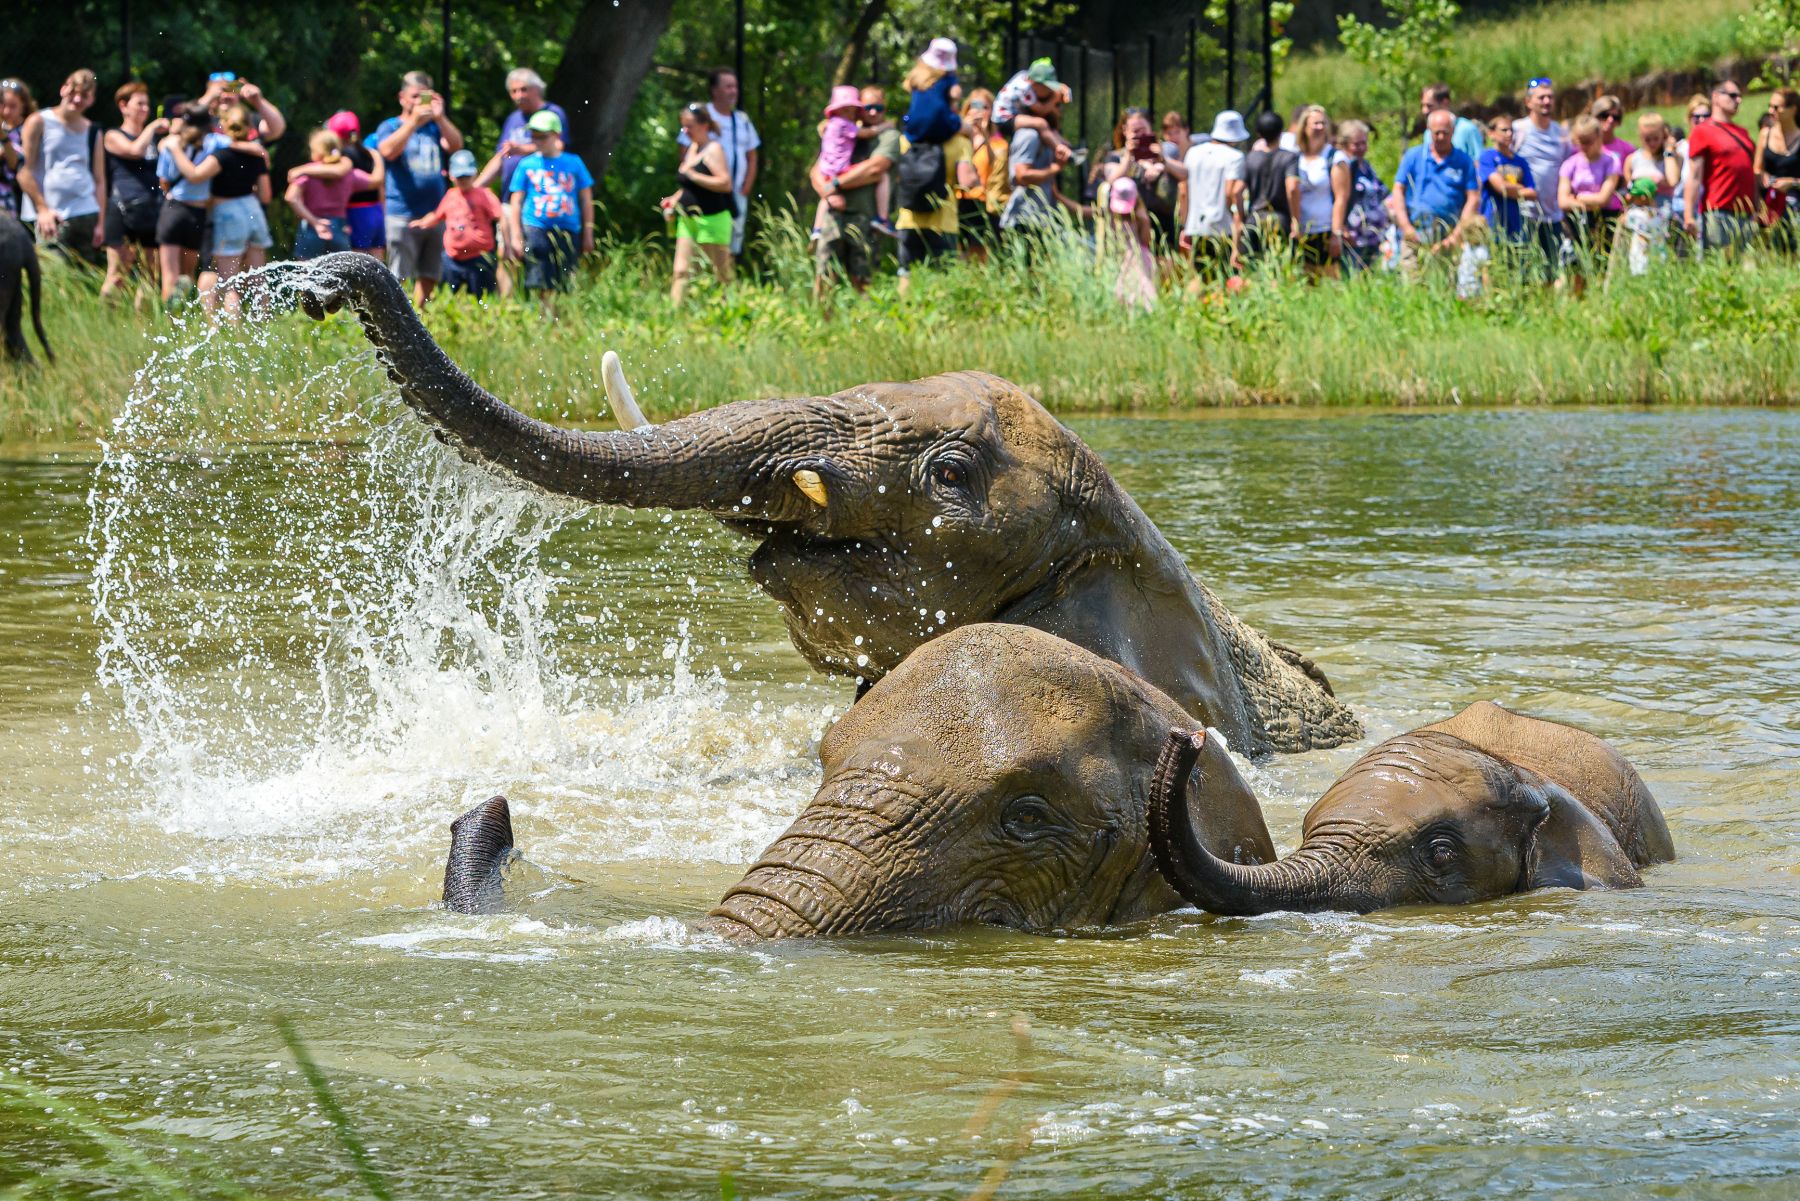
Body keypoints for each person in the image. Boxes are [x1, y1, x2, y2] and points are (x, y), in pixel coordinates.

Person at [374, 71, 465, 305]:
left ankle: (419, 314)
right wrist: (413, 121)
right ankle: (393, 315)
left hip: (434, 213)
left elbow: (456, 145)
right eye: (414, 96)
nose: (419, 102)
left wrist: (441, 118)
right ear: (402, 97)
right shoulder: (391, 125)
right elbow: (387, 151)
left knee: (430, 272)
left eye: (424, 97)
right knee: (398, 273)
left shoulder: (435, 128)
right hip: (402, 212)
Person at [809, 86, 899, 302]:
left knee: (863, 280)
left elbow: (876, 169)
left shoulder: (889, 136)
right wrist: (829, 194)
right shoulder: (843, 131)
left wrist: (836, 183)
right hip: (834, 215)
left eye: (879, 108)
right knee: (825, 275)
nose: (873, 113)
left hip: (865, 219)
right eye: (868, 107)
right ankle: (821, 327)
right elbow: (816, 171)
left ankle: (867, 329)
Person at [506, 108, 592, 317]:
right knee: (540, 275)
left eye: (542, 136)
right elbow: (516, 201)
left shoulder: (574, 163)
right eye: (533, 136)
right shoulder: (527, 164)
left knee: (566, 274)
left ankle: (563, 317)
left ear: (556, 135)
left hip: (568, 227)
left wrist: (588, 233)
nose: (537, 141)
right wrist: (516, 236)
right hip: (536, 226)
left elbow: (587, 200)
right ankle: (544, 316)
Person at [16, 69, 106, 267]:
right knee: (54, 282)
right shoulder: (39, 121)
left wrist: (100, 222)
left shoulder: (93, 131)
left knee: (86, 285)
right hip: (52, 217)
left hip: (86, 212)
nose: (77, 99)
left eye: (84, 95)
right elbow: (24, 172)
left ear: (91, 100)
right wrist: (42, 209)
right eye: (73, 91)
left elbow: (100, 180)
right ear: (63, 89)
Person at [672, 68, 761, 258]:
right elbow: (685, 152)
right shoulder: (700, 115)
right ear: (714, 90)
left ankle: (726, 284)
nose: (733, 91)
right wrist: (688, 183)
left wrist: (746, 187)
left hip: (733, 193)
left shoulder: (742, 120)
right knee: (702, 254)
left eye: (735, 86)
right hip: (704, 197)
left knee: (730, 249)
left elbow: (752, 156)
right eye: (728, 86)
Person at [198, 107, 271, 317]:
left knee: (229, 282)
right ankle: (262, 323)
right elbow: (265, 195)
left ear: (224, 126)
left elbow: (196, 177)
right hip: (253, 210)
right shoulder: (257, 156)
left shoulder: (220, 156)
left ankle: (233, 333)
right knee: (258, 279)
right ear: (249, 127)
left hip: (227, 212)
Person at [1392, 108, 1481, 279]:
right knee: (1413, 285)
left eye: (1445, 133)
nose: (1440, 137)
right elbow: (1398, 189)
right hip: (1415, 234)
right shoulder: (1414, 156)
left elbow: (1473, 197)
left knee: (1445, 284)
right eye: (1436, 133)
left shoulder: (1463, 161)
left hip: (1448, 236)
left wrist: (1456, 236)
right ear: (1428, 131)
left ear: (1453, 132)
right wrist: (1406, 226)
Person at [894, 115, 976, 295]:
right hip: (944, 222)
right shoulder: (959, 142)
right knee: (944, 276)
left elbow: (897, 176)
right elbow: (967, 181)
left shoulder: (905, 140)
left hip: (908, 220)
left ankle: (903, 317)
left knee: (905, 276)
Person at [661, 102, 734, 306]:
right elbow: (688, 186)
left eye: (690, 126)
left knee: (721, 275)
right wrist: (674, 199)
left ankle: (727, 314)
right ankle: (675, 316)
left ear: (704, 125)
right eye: (683, 126)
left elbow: (725, 183)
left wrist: (693, 175)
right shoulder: (692, 149)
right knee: (681, 271)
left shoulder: (714, 149)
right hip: (687, 220)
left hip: (713, 221)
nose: (686, 131)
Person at [101, 81, 167, 302]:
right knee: (117, 275)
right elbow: (134, 151)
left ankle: (143, 328)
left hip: (151, 210)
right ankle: (106, 323)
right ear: (123, 106)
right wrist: (152, 127)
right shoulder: (112, 135)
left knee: (152, 276)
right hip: (122, 210)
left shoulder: (154, 140)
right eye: (139, 104)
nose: (144, 109)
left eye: (147, 104)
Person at [411, 149, 501, 298]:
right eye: (460, 177)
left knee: (482, 296)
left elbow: (499, 216)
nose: (463, 180)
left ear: (475, 173)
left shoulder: (484, 194)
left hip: (479, 257)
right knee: (451, 295)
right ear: (452, 176)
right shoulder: (451, 195)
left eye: (466, 176)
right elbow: (438, 215)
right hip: (453, 258)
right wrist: (423, 223)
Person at [1684, 80, 1758, 255]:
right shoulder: (1702, 131)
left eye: (1739, 96)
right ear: (1716, 97)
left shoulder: (1743, 133)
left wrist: (1756, 207)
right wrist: (1689, 215)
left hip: (1746, 214)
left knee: (1745, 270)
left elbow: (1751, 174)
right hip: (1718, 212)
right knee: (1719, 267)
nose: (1738, 100)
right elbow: (1694, 176)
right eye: (1733, 95)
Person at [1095, 109, 1185, 247]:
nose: (1140, 135)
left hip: (1164, 226)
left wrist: (1163, 161)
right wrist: (1128, 158)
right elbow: (1111, 181)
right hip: (1132, 227)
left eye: (1143, 130)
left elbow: (1185, 173)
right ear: (1125, 130)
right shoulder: (1115, 156)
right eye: (1135, 131)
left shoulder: (1166, 152)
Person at [1179, 109, 1247, 288]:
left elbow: (1183, 190)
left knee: (1202, 278)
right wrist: (1239, 222)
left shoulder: (1193, 153)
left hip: (1195, 226)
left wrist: (1184, 224)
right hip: (1223, 226)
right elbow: (1231, 192)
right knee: (1226, 279)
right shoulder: (1235, 157)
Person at [1512, 77, 1570, 283]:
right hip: (1523, 212)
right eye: (1541, 97)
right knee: (1522, 266)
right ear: (1528, 102)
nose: (1546, 101)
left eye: (1550, 97)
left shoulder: (1561, 133)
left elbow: (1567, 167)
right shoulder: (1517, 130)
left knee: (1551, 268)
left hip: (1552, 213)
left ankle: (1547, 304)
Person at [1284, 104, 1349, 280]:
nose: (1320, 128)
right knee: (1303, 283)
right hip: (1301, 231)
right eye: (1315, 124)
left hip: (1325, 230)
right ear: (1304, 127)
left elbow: (1341, 197)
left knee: (1329, 283)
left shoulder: (1335, 158)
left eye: (1323, 123)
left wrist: (1336, 233)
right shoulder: (1295, 157)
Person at [1557, 115, 1621, 295]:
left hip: (1603, 221)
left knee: (1602, 264)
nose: (1583, 147)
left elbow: (1604, 199)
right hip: (1575, 223)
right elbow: (1562, 200)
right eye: (1580, 142)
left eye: (1588, 142)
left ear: (1599, 137)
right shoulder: (1571, 164)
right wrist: (1588, 202)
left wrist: (1580, 198)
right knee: (1574, 267)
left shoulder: (1611, 161)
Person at [286, 129, 373, 260]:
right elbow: (375, 181)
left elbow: (291, 198)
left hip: (312, 227)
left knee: (306, 277)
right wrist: (376, 156)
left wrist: (314, 222)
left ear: (316, 151)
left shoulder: (306, 172)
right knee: (341, 277)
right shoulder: (348, 173)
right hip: (339, 227)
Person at [1617, 114, 1681, 276]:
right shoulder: (1633, 159)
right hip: (1639, 221)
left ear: (1663, 135)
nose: (1652, 143)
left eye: (1656, 138)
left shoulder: (1673, 157)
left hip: (1663, 219)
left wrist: (1668, 150)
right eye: (1647, 139)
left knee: (1662, 266)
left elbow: (1673, 180)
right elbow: (1627, 192)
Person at [814, 86, 880, 240]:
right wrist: (884, 126)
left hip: (827, 169)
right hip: (839, 170)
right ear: (836, 111)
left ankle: (816, 230)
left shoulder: (830, 125)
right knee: (829, 195)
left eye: (852, 111)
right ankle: (882, 219)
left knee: (825, 199)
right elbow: (867, 134)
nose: (850, 114)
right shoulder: (844, 124)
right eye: (846, 110)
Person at [323, 111, 387, 261]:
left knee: (356, 263)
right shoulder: (371, 152)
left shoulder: (342, 156)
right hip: (376, 211)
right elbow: (380, 186)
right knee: (377, 262)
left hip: (355, 213)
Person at [954, 88, 1008, 261]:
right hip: (957, 200)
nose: (978, 111)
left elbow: (996, 163)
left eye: (984, 107)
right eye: (974, 105)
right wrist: (966, 129)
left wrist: (984, 133)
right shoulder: (958, 137)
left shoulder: (998, 142)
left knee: (979, 254)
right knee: (956, 252)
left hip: (982, 203)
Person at [1477, 114, 1537, 261]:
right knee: (1492, 262)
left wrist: (1509, 189)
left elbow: (1532, 193)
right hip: (1493, 220)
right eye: (1504, 130)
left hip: (1517, 221)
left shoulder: (1520, 161)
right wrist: (1518, 188)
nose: (1509, 134)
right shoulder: (1487, 157)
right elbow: (1500, 187)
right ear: (1491, 134)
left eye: (1511, 130)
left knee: (1517, 262)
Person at [1240, 109, 1297, 263]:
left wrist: (1241, 217)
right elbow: (1292, 188)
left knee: (1252, 269)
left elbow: (1236, 191)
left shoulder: (1250, 158)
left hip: (1254, 219)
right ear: (1281, 132)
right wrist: (1295, 220)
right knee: (1279, 269)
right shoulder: (1289, 157)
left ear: (1258, 133)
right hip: (1280, 219)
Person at [1335, 119, 1389, 274]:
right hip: (1352, 238)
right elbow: (1338, 198)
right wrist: (1342, 228)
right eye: (1356, 144)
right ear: (1344, 144)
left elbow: (1381, 192)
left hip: (1371, 237)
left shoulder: (1365, 166)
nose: (1361, 148)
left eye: (1364, 143)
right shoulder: (1344, 167)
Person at [1754, 87, 1800, 250]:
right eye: (1770, 106)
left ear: (1793, 109)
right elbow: (1757, 169)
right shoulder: (1765, 134)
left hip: (1795, 205)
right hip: (1769, 205)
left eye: (1776, 107)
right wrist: (1763, 176)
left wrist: (1792, 182)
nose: (1771, 111)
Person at [1104, 176, 1156, 311]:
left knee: (1141, 287)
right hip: (1122, 258)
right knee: (1122, 291)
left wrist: (1144, 221)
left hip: (1138, 259)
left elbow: (1146, 241)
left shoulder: (1140, 218)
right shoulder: (1111, 216)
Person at [903, 37, 963, 145]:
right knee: (968, 128)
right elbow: (955, 94)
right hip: (940, 127)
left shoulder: (917, 76)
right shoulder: (948, 78)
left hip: (913, 128)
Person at [195, 73, 286, 143]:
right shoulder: (202, 120)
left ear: (238, 94)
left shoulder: (249, 118)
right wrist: (208, 97)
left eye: (230, 89)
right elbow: (186, 120)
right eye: (221, 90)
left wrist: (258, 101)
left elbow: (277, 130)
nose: (225, 96)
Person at [1589, 95, 1634, 219]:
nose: (1610, 120)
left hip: (1615, 210)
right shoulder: (1582, 147)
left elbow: (1628, 183)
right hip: (1587, 207)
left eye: (1615, 117)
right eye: (1604, 115)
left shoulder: (1627, 149)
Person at [2, 79, 38, 220]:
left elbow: (20, 163)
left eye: (12, 106)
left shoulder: (31, 128)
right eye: (3, 105)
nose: (6, 111)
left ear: (24, 105)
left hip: (24, 194)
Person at [1421, 83, 1484, 162]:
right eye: (1422, 106)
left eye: (1429, 106)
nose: (1424, 111)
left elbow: (1480, 163)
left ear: (1445, 103)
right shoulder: (1428, 133)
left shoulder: (1467, 129)